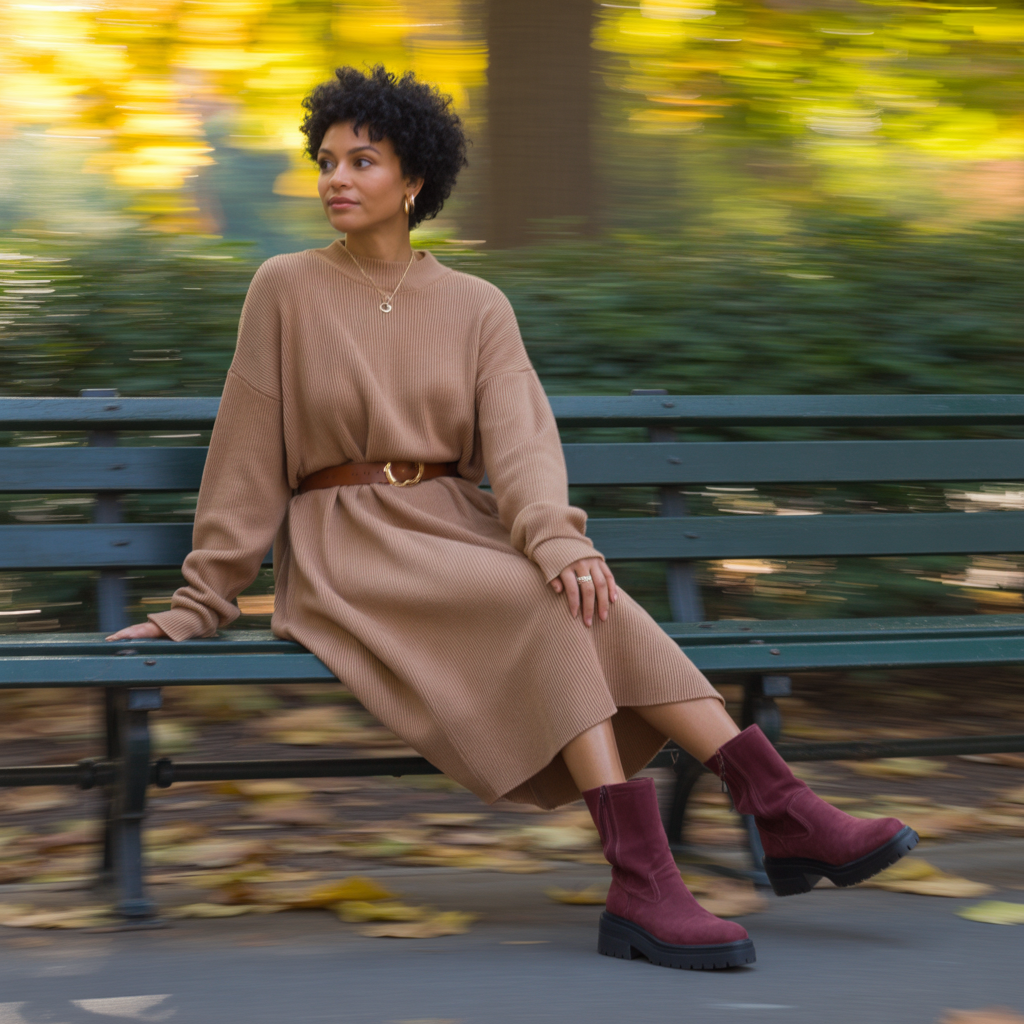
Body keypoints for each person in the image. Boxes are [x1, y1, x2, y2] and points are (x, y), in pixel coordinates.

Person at [107, 65, 918, 970]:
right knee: (549, 602)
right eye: (327, 161)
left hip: (456, 523)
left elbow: (523, 445)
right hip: (348, 543)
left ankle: (768, 815)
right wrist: (200, 604)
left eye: (362, 161)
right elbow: (247, 452)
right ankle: (674, 862)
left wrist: (558, 539)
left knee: (582, 594)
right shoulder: (284, 287)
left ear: (413, 181)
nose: (336, 178)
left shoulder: (478, 304)